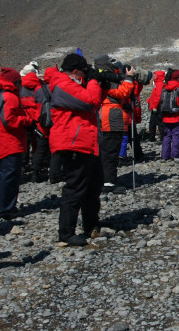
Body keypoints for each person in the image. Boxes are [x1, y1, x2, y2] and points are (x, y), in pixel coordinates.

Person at [50, 53, 106, 246]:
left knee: (92, 186)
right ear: (75, 71)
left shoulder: (73, 84)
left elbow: (93, 100)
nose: (85, 75)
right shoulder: (63, 85)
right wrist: (93, 81)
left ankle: (91, 225)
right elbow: (90, 100)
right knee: (74, 189)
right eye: (83, 72)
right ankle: (66, 233)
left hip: (86, 143)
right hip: (74, 143)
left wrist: (97, 82)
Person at [0, 67, 32, 220]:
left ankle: (3, 207)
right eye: (19, 82)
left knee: (6, 175)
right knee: (10, 176)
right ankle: (3, 209)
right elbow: (9, 120)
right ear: (15, 82)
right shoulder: (10, 97)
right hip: (9, 142)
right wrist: (26, 120)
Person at [94, 54, 134, 194]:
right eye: (111, 62)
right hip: (111, 118)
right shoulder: (106, 79)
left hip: (108, 116)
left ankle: (103, 179)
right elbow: (122, 93)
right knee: (110, 151)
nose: (113, 64)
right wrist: (129, 78)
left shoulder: (103, 78)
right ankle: (109, 182)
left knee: (107, 150)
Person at [160, 69, 179, 161]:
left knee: (167, 135)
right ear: (178, 77)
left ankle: (164, 156)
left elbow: (161, 100)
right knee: (176, 135)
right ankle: (175, 155)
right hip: (177, 115)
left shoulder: (164, 87)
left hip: (166, 115)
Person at [146, 70, 166, 143]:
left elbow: (158, 96)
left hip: (157, 107)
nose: (154, 76)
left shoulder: (159, 84)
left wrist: (154, 106)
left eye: (155, 75)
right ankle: (155, 137)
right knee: (154, 123)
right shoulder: (158, 83)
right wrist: (150, 100)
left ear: (159, 76)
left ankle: (159, 138)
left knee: (157, 123)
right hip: (156, 105)